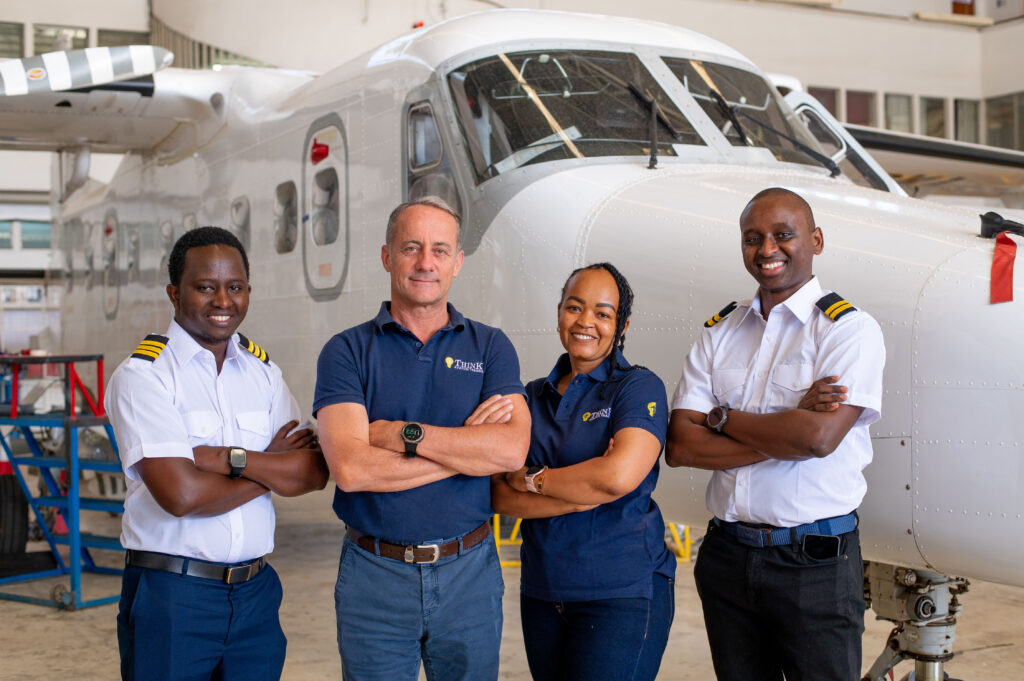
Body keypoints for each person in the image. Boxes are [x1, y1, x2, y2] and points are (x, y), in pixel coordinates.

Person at [666, 187, 886, 681]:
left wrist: (721, 419)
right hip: (727, 557)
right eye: (753, 238)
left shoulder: (847, 331)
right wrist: (787, 425)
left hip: (814, 564)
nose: (767, 249)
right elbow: (680, 445)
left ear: (816, 240)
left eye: (783, 235)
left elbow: (817, 440)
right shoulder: (721, 331)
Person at [313, 197, 530, 681]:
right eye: (411, 247)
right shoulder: (346, 351)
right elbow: (351, 469)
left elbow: (511, 450)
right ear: (387, 256)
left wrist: (399, 434)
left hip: (469, 574)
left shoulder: (491, 347)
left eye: (439, 250)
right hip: (375, 577)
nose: (425, 262)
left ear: (457, 262)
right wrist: (467, 451)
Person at [105, 226, 329, 681]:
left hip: (256, 596)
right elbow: (181, 495)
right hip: (174, 596)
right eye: (206, 287)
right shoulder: (144, 376)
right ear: (175, 293)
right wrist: (270, 465)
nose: (223, 301)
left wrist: (231, 459)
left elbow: (312, 471)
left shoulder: (263, 373)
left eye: (235, 287)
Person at [492, 262, 674, 681]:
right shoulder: (530, 396)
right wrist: (581, 497)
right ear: (559, 312)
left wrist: (531, 479)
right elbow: (498, 495)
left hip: (620, 592)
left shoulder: (637, 387)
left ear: (621, 326)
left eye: (602, 313)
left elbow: (616, 478)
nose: (585, 322)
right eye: (574, 307)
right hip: (543, 591)